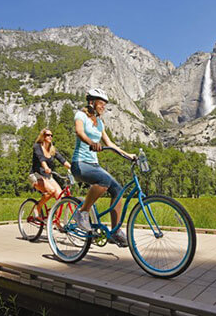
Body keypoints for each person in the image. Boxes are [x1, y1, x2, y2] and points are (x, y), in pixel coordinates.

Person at [71, 88, 136, 247]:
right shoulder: (80, 115)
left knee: (118, 189)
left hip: (94, 165)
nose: (103, 107)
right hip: (80, 164)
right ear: (92, 102)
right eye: (101, 104)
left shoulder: (100, 123)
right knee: (104, 180)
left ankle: (115, 232)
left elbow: (110, 144)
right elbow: (79, 132)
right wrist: (91, 143)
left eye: (105, 105)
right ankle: (82, 212)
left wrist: (129, 155)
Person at [29, 128, 71, 220]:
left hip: (47, 176)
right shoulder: (37, 146)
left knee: (61, 197)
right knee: (51, 191)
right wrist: (46, 167)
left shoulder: (52, 149)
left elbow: (62, 160)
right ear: (43, 136)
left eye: (51, 135)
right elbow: (41, 159)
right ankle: (38, 208)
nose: (50, 137)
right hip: (36, 175)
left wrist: (72, 168)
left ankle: (56, 220)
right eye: (48, 135)